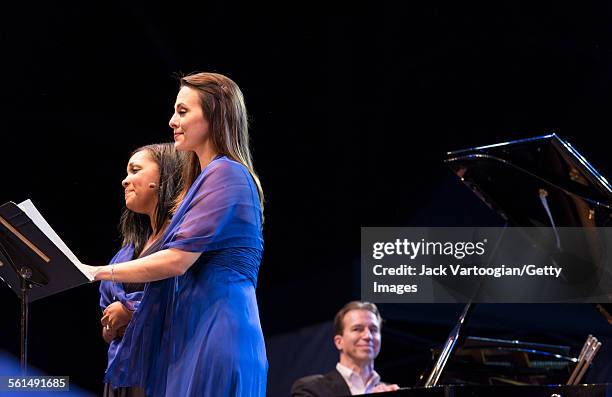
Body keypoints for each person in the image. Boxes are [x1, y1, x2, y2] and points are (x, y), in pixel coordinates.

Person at [84, 72, 267, 396]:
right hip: (192, 331)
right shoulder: (204, 180)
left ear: (214, 114)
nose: (172, 121)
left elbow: (177, 260)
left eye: (183, 111)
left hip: (217, 326)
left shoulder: (227, 172)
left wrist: (97, 271)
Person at [99, 143, 186, 397]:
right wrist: (112, 324)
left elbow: (184, 301)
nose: (125, 181)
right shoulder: (128, 251)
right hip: (121, 372)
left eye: (135, 170)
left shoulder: (182, 242)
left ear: (164, 177)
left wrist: (130, 311)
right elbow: (107, 325)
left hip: (162, 369)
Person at [291, 301, 400, 396]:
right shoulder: (311, 388)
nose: (368, 336)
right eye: (357, 329)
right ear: (339, 342)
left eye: (373, 329)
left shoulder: (391, 389)